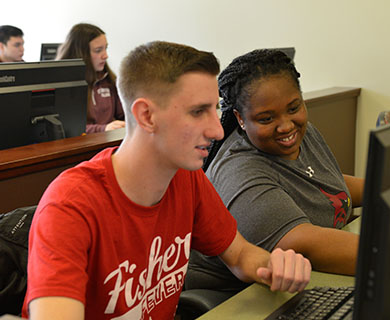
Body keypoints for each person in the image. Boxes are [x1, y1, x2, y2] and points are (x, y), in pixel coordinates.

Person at [22, 41, 311, 319]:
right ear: (146, 116)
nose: (217, 130)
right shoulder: (70, 206)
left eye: (215, 109)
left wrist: (276, 266)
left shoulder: (186, 178)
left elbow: (239, 255)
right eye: (198, 112)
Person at [186, 49, 364, 293]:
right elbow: (302, 245)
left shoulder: (300, 133)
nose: (286, 125)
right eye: (266, 119)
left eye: (294, 108)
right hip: (241, 300)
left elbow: (325, 182)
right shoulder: (240, 172)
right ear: (240, 118)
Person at [56, 23, 125, 133]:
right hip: (82, 146)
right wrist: (103, 129)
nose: (105, 55)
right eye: (98, 50)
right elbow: (67, 129)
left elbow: (123, 115)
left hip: (107, 142)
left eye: (105, 48)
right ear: (81, 54)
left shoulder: (109, 80)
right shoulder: (64, 85)